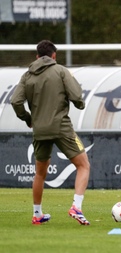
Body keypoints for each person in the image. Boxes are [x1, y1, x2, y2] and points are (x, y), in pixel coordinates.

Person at [11, 40, 91, 225]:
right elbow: (77, 97)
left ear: (37, 56)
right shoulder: (61, 71)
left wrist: (28, 118)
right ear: (54, 56)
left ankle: (37, 214)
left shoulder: (27, 76)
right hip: (61, 127)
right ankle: (76, 207)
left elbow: (16, 101)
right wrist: (80, 104)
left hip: (39, 129)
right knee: (83, 165)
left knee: (40, 173)